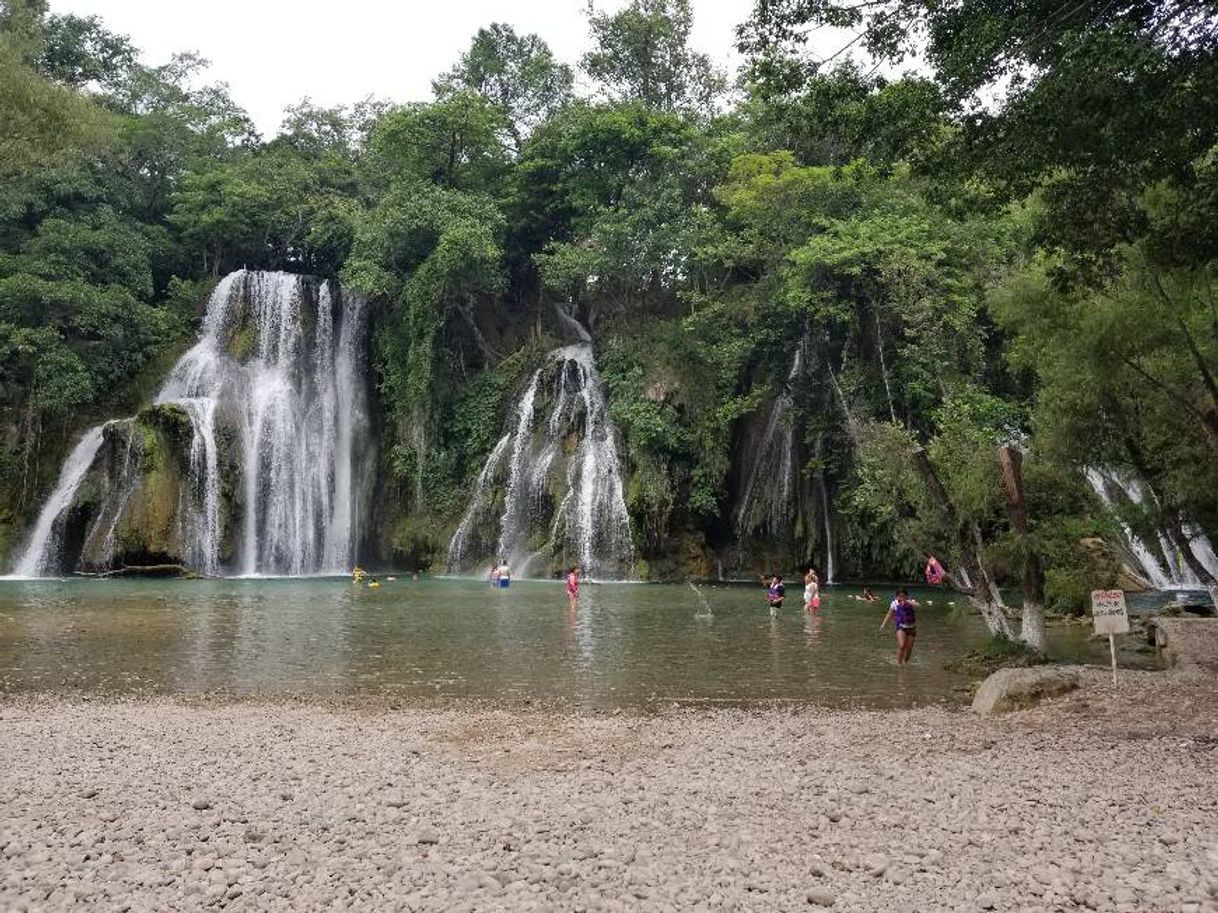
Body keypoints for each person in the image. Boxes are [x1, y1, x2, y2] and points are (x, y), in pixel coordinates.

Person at [880, 588, 919, 664]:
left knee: (909, 648)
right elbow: (889, 614)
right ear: (896, 597)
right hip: (901, 627)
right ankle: (899, 664)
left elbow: (918, 605)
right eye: (899, 596)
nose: (901, 598)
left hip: (912, 628)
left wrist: (907, 601)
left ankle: (905, 663)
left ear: (907, 596)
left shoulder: (911, 602)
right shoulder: (894, 603)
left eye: (904, 596)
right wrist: (883, 625)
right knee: (902, 645)